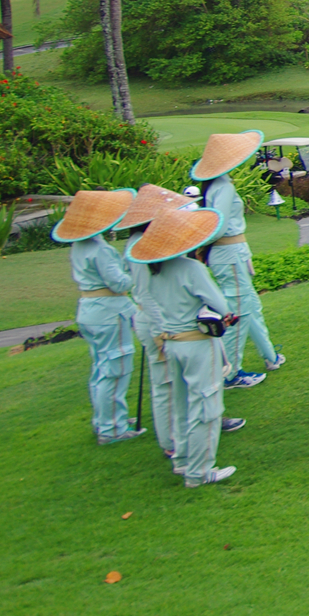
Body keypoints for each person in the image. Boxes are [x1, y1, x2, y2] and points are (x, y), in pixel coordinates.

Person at [119, 186, 244, 472]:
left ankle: (182, 459)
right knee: (205, 405)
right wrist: (225, 315)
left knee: (181, 402)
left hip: (172, 341)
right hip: (194, 342)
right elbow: (221, 304)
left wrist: (163, 331)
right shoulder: (190, 269)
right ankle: (199, 471)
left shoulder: (153, 268)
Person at [191, 131, 283, 387]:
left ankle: (270, 355)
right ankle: (231, 372)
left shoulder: (220, 183)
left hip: (235, 254)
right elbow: (218, 225)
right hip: (228, 255)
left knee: (251, 306)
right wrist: (202, 248)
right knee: (238, 313)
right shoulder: (223, 186)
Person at [55, 188, 141, 445]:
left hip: (90, 310)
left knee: (101, 368)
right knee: (116, 368)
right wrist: (133, 271)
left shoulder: (79, 245)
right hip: (108, 312)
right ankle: (111, 428)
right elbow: (118, 283)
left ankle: (108, 419)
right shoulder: (99, 249)